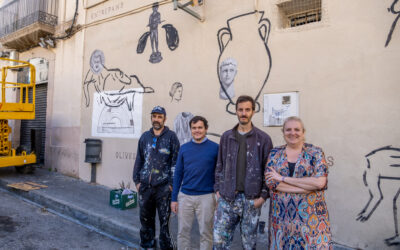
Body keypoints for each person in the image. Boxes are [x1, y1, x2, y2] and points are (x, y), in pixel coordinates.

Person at [213, 95, 273, 249]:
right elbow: (219, 164)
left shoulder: (263, 139)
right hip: (227, 198)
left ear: (253, 111)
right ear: (236, 111)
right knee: (219, 243)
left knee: (249, 244)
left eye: (247, 109)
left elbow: (269, 171)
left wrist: (263, 197)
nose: (244, 113)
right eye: (240, 110)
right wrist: (218, 190)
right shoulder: (227, 137)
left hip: (251, 200)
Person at [265, 116, 332, 249]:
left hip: (311, 219)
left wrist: (283, 179)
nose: (292, 133)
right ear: (283, 132)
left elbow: (320, 183)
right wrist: (307, 187)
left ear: (303, 132)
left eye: (297, 129)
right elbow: (271, 183)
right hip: (281, 219)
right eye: (288, 129)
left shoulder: (316, 153)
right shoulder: (274, 154)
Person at [133, 106, 180, 250]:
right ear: (151, 118)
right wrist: (137, 181)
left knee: (164, 222)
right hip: (145, 186)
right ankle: (148, 246)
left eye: (159, 117)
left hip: (163, 187)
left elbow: (176, 162)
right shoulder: (144, 137)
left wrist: (171, 184)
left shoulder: (171, 137)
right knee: (146, 220)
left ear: (164, 119)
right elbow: (139, 159)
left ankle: (166, 247)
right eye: (154, 116)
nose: (156, 119)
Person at [171, 116, 219, 250]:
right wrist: (174, 198)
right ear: (190, 130)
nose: (197, 130)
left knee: (206, 233)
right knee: (183, 233)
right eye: (194, 128)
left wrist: (218, 195)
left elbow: (220, 173)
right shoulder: (184, 148)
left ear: (206, 129)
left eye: (200, 127)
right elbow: (178, 174)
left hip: (207, 197)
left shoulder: (215, 148)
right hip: (185, 196)